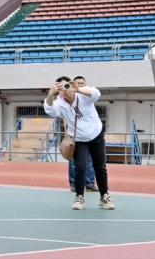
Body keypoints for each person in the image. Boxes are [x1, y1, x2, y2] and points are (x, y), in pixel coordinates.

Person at [44, 77, 115, 211]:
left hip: (96, 134)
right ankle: (79, 197)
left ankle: (104, 196)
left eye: (66, 86)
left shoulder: (83, 97)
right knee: (80, 167)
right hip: (79, 139)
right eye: (61, 88)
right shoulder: (59, 103)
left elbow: (96, 93)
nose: (65, 90)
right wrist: (50, 94)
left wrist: (78, 89)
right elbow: (50, 110)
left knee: (100, 166)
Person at [68, 75, 98, 192]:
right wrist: (67, 130)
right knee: (74, 160)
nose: (80, 85)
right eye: (78, 83)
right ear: (73, 85)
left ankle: (90, 183)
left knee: (89, 159)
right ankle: (74, 183)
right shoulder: (70, 98)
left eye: (82, 83)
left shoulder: (88, 98)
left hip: (88, 134)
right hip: (74, 134)